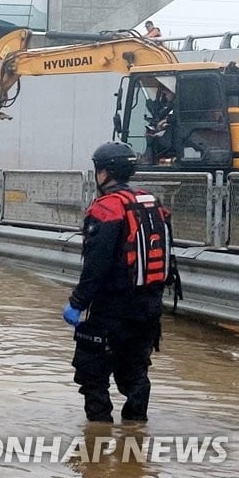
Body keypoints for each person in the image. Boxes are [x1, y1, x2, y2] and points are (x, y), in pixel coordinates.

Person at [62, 142, 177, 423]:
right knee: (136, 373)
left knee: (92, 374)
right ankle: (135, 439)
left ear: (103, 173)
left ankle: (98, 448)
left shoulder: (106, 209)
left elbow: (96, 265)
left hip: (111, 309)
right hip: (149, 307)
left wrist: (77, 303)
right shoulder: (151, 202)